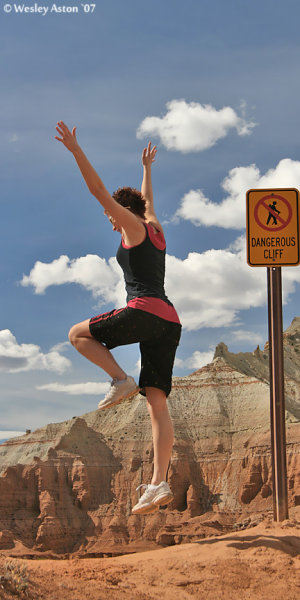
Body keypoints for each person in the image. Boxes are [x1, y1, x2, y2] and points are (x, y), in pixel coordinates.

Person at [55, 121, 181, 515]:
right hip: (170, 322)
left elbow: (97, 192)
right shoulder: (155, 227)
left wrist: (76, 150)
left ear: (124, 211)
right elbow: (148, 201)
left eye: (114, 214)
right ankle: (159, 483)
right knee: (157, 402)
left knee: (77, 334)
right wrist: (146, 168)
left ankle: (119, 379)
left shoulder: (132, 226)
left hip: (143, 311)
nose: (110, 221)